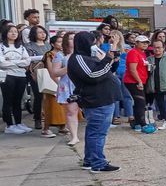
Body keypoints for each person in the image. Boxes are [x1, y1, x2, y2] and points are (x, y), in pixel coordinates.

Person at [69, 32, 120, 173]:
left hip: (103, 98)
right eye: (92, 42)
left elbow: (108, 69)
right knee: (98, 133)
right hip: (97, 100)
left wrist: (112, 56)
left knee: (94, 132)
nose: (95, 45)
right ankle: (98, 163)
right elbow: (93, 75)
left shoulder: (89, 56)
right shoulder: (78, 58)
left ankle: (90, 160)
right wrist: (107, 59)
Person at [1, 23, 32, 133]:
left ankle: (18, 123)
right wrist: (19, 63)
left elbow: (27, 61)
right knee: (8, 101)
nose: (14, 33)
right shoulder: (1, 46)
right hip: (7, 76)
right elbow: (2, 63)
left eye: (15, 31)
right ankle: (9, 125)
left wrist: (11, 61)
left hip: (21, 76)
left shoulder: (22, 47)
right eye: (11, 31)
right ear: (5, 33)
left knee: (18, 101)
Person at [124, 35, 154, 133]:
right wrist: (139, 81)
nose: (145, 44)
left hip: (140, 80)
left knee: (139, 102)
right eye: (143, 42)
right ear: (136, 43)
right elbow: (132, 69)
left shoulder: (142, 53)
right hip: (133, 81)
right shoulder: (133, 52)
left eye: (146, 42)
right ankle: (142, 124)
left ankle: (136, 123)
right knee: (140, 102)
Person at [54, 32, 81, 145]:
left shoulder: (84, 53)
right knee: (71, 111)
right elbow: (55, 72)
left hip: (82, 85)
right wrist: (68, 66)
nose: (73, 40)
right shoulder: (60, 55)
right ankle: (74, 136)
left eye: (75, 38)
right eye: (70, 38)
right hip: (67, 85)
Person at [40, 35, 67, 138]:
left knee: (62, 106)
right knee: (50, 107)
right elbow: (51, 71)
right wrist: (58, 83)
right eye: (59, 42)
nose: (61, 44)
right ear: (52, 44)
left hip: (62, 82)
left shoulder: (63, 54)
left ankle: (62, 127)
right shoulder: (49, 54)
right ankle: (45, 129)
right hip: (53, 82)